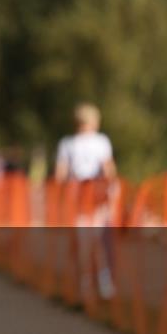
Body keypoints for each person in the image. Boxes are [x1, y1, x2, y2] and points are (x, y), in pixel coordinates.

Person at [54, 102, 118, 299]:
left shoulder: (67, 143)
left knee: (83, 243)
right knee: (98, 241)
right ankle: (103, 282)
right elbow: (109, 170)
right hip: (96, 198)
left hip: (78, 199)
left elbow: (60, 175)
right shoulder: (101, 141)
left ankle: (85, 284)